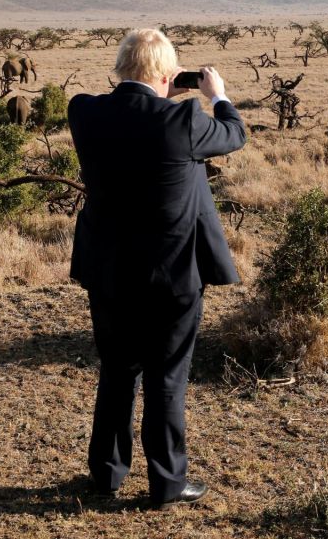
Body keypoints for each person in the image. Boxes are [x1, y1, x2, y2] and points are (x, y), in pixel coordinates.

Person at [67, 28, 246, 510]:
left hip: (108, 271)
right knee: (167, 376)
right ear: (169, 75)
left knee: (117, 372)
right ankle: (167, 483)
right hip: (173, 274)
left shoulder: (84, 113)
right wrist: (218, 95)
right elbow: (234, 135)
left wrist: (160, 91)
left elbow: (125, 111)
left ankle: (106, 475)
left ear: (121, 68)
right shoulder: (185, 119)